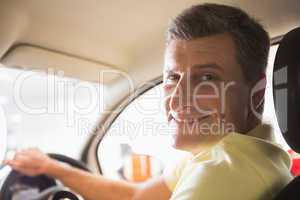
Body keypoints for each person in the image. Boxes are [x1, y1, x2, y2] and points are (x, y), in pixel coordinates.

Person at [4, 3, 293, 200]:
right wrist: (51, 168)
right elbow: (136, 196)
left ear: (255, 94)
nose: (177, 100)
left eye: (206, 79)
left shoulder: (221, 176)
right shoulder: (242, 153)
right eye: (173, 78)